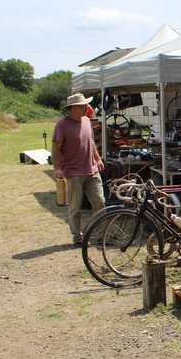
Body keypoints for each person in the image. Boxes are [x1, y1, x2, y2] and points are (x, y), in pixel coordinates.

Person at [51, 93, 105, 246]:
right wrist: (57, 168)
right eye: (82, 106)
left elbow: (91, 142)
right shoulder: (61, 125)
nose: (86, 108)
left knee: (99, 202)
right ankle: (77, 236)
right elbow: (55, 148)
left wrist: (97, 158)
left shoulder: (87, 121)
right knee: (75, 205)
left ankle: (102, 233)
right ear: (73, 108)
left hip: (91, 169)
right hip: (73, 171)